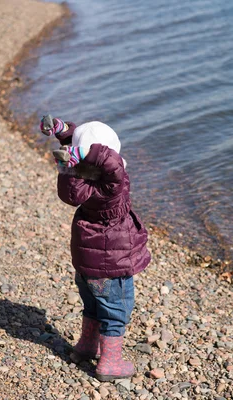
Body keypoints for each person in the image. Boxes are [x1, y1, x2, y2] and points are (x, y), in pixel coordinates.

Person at [40, 115, 151, 381]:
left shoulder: (78, 184)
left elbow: (90, 156)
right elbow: (110, 162)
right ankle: (109, 363)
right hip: (111, 266)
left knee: (92, 305)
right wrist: (83, 149)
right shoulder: (111, 187)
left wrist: (65, 133)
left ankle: (86, 347)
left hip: (87, 264)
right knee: (116, 310)